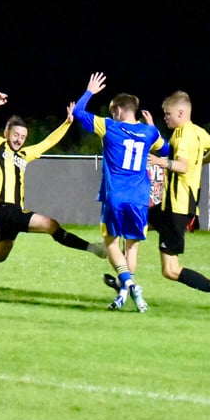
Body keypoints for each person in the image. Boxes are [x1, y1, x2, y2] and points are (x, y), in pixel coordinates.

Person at [0, 90, 106, 288]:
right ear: (6, 134)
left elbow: (48, 142)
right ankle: (95, 249)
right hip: (6, 210)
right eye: (15, 135)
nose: (19, 139)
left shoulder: (24, 154)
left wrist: (66, 123)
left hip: (9, 215)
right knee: (51, 225)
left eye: (22, 136)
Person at [72, 72, 170, 312]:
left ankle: (129, 284)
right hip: (139, 197)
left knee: (110, 242)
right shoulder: (149, 133)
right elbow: (166, 149)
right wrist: (152, 127)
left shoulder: (109, 126)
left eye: (112, 109)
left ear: (117, 109)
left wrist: (90, 92)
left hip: (115, 195)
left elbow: (77, 113)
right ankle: (126, 291)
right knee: (132, 246)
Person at [134, 90, 210, 309]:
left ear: (180, 113)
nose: (166, 117)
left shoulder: (182, 135)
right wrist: (200, 163)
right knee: (133, 222)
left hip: (177, 208)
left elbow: (182, 165)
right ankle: (122, 277)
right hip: (172, 205)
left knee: (170, 270)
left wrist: (160, 162)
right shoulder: (198, 132)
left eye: (167, 113)